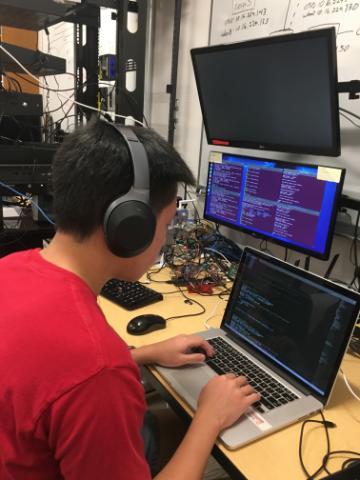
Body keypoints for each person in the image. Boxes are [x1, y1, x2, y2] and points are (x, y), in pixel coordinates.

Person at [0, 119, 260, 480]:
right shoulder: (98, 372)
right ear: (129, 225)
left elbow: (47, 376)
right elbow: (85, 375)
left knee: (150, 424)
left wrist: (143, 354)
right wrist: (209, 418)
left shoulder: (11, 268)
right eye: (166, 224)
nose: (165, 239)